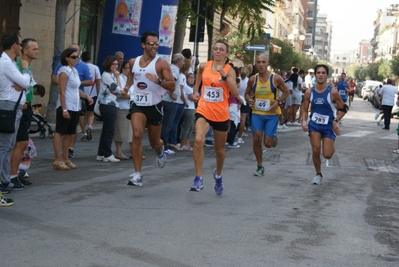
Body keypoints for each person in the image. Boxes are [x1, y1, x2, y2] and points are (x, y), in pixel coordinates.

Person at [124, 30, 175, 186]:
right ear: (143, 45)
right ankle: (137, 174)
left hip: (154, 105)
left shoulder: (161, 64)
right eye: (151, 43)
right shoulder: (133, 62)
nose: (154, 46)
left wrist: (158, 80)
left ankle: (160, 151)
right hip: (138, 104)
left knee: (154, 142)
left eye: (156, 43)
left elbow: (172, 85)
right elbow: (131, 78)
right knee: (137, 135)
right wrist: (126, 88)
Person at [189, 40, 239, 195]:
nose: (218, 51)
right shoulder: (204, 66)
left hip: (221, 113)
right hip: (204, 109)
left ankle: (218, 174)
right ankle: (198, 178)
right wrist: (196, 90)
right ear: (212, 51)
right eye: (216, 49)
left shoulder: (229, 70)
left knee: (219, 150)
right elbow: (198, 72)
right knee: (198, 140)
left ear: (226, 53)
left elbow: (235, 93)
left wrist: (224, 75)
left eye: (221, 49)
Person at [301, 64, 347, 185]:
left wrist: (335, 121)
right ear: (315, 75)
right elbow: (304, 109)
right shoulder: (309, 92)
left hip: (328, 127)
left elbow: (343, 109)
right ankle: (318, 174)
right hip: (314, 125)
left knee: (327, 155)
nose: (321, 75)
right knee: (315, 150)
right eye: (318, 73)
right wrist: (304, 121)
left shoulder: (333, 92)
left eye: (323, 73)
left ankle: (330, 144)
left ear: (327, 75)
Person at [244, 53, 289, 177]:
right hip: (257, 113)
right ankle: (260, 166)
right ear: (256, 64)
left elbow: (286, 92)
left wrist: (278, 101)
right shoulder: (253, 79)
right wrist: (249, 100)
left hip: (271, 114)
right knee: (256, 138)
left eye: (263, 62)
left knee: (268, 144)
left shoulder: (276, 78)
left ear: (267, 64)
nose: (261, 65)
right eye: (258, 62)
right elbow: (247, 94)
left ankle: (273, 138)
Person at [0, 33, 31, 197]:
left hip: (13, 107)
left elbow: (26, 85)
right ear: (14, 46)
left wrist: (23, 83)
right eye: (19, 44)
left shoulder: (9, 63)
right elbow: (26, 82)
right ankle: (1, 181)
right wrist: (25, 69)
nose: (20, 47)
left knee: (8, 146)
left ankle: (5, 180)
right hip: (7, 107)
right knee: (4, 147)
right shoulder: (6, 63)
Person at [52, 48, 93, 170]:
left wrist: (86, 96)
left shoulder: (74, 71)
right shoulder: (64, 71)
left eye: (77, 57)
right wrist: (64, 109)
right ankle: (58, 159)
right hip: (66, 105)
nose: (76, 59)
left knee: (70, 133)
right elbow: (62, 91)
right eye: (74, 57)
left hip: (75, 106)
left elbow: (75, 88)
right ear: (67, 58)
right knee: (60, 132)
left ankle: (65, 158)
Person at [8, 38, 39, 189]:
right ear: (24, 50)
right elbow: (16, 84)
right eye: (34, 49)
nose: (37, 51)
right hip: (21, 107)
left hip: (27, 107)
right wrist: (24, 101)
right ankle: (12, 175)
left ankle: (16, 173)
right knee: (19, 143)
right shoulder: (20, 66)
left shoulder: (27, 67)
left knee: (22, 143)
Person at [96, 56, 125, 162]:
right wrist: (117, 78)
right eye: (113, 64)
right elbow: (119, 90)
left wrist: (117, 78)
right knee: (109, 130)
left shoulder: (112, 76)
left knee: (106, 130)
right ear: (108, 64)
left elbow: (119, 90)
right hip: (108, 104)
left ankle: (101, 153)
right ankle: (107, 154)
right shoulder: (107, 76)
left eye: (117, 64)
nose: (116, 66)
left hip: (112, 104)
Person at [160, 53, 184, 155]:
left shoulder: (169, 67)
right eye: (182, 61)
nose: (183, 63)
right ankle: (164, 147)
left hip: (165, 99)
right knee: (167, 124)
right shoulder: (175, 69)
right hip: (170, 101)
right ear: (178, 61)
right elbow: (171, 81)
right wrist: (171, 93)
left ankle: (161, 145)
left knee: (164, 124)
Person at [113, 60, 133, 160]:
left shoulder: (131, 79)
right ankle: (118, 152)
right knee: (120, 130)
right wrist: (131, 96)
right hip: (122, 106)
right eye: (128, 68)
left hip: (131, 107)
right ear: (123, 69)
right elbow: (121, 94)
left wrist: (130, 96)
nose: (129, 70)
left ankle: (134, 151)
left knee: (133, 131)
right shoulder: (120, 78)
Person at [81, 51, 101, 142]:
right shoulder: (95, 68)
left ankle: (84, 131)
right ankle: (89, 126)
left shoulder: (80, 67)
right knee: (90, 113)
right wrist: (98, 94)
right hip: (92, 94)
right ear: (90, 58)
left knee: (82, 114)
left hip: (81, 93)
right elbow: (98, 82)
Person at [179, 72, 195, 151]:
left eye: (193, 78)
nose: (192, 80)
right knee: (187, 126)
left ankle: (187, 144)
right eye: (190, 78)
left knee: (191, 127)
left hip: (191, 108)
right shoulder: (187, 87)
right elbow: (194, 98)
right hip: (188, 108)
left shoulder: (191, 88)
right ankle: (183, 144)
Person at [237, 67, 250, 144]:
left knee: (234, 119)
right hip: (244, 101)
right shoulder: (248, 81)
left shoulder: (237, 79)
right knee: (243, 120)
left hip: (236, 100)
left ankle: (232, 135)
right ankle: (239, 137)